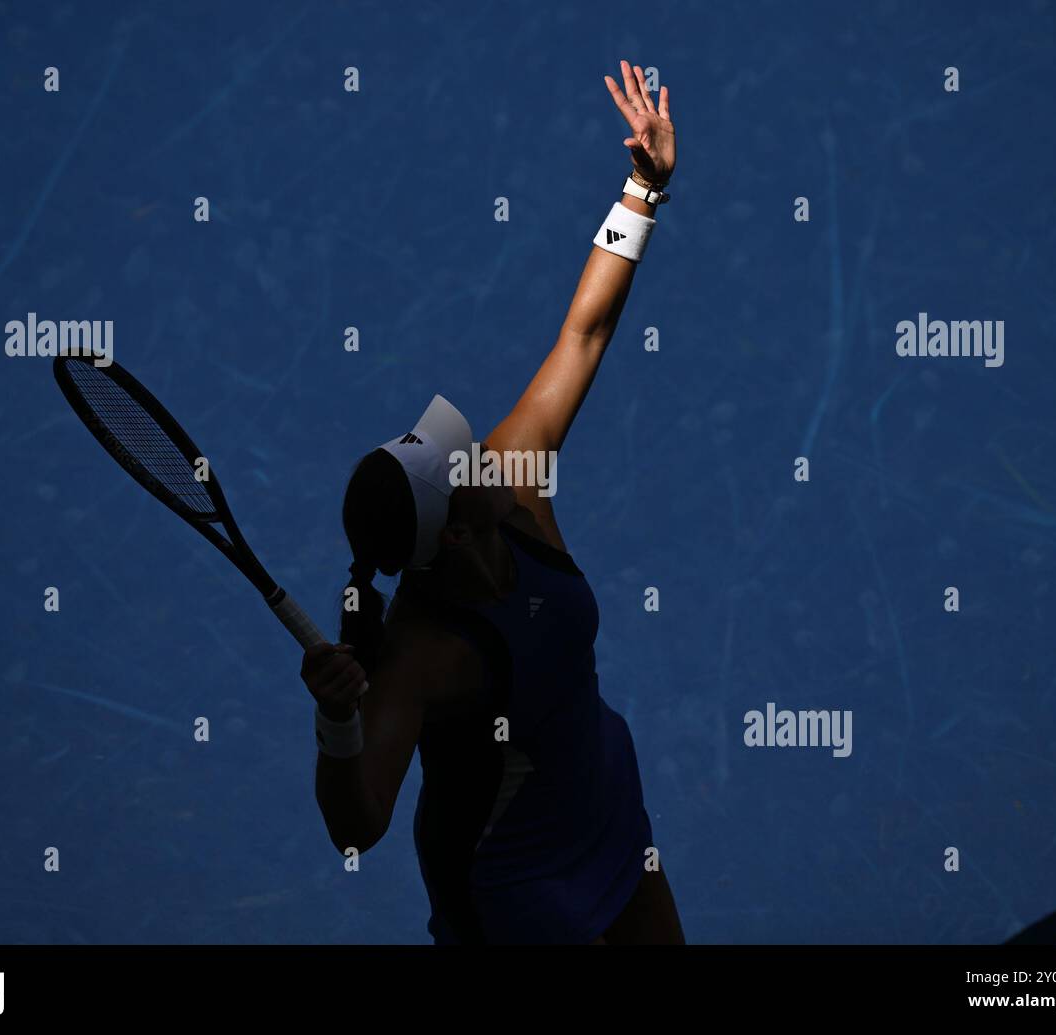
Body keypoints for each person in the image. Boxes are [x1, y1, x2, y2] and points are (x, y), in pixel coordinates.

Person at [300, 59, 683, 944]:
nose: (472, 447)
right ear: (449, 525)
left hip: (610, 819)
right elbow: (356, 825)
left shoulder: (515, 477)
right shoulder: (421, 653)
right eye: (455, 463)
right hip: (521, 903)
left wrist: (643, 190)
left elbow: (582, 332)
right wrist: (335, 717)